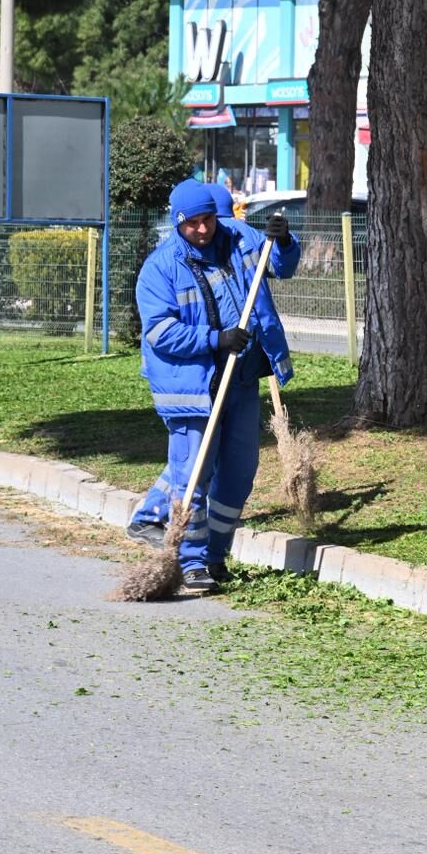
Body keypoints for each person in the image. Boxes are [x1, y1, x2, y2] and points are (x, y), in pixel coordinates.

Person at [124, 179, 300, 593]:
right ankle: (190, 561)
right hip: (190, 385)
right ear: (177, 222)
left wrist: (286, 241)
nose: (202, 230)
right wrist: (214, 338)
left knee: (239, 472)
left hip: (240, 377)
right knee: (193, 475)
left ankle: (216, 554)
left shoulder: (240, 237)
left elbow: (282, 266)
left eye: (207, 220)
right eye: (193, 224)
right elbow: (160, 332)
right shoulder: (160, 267)